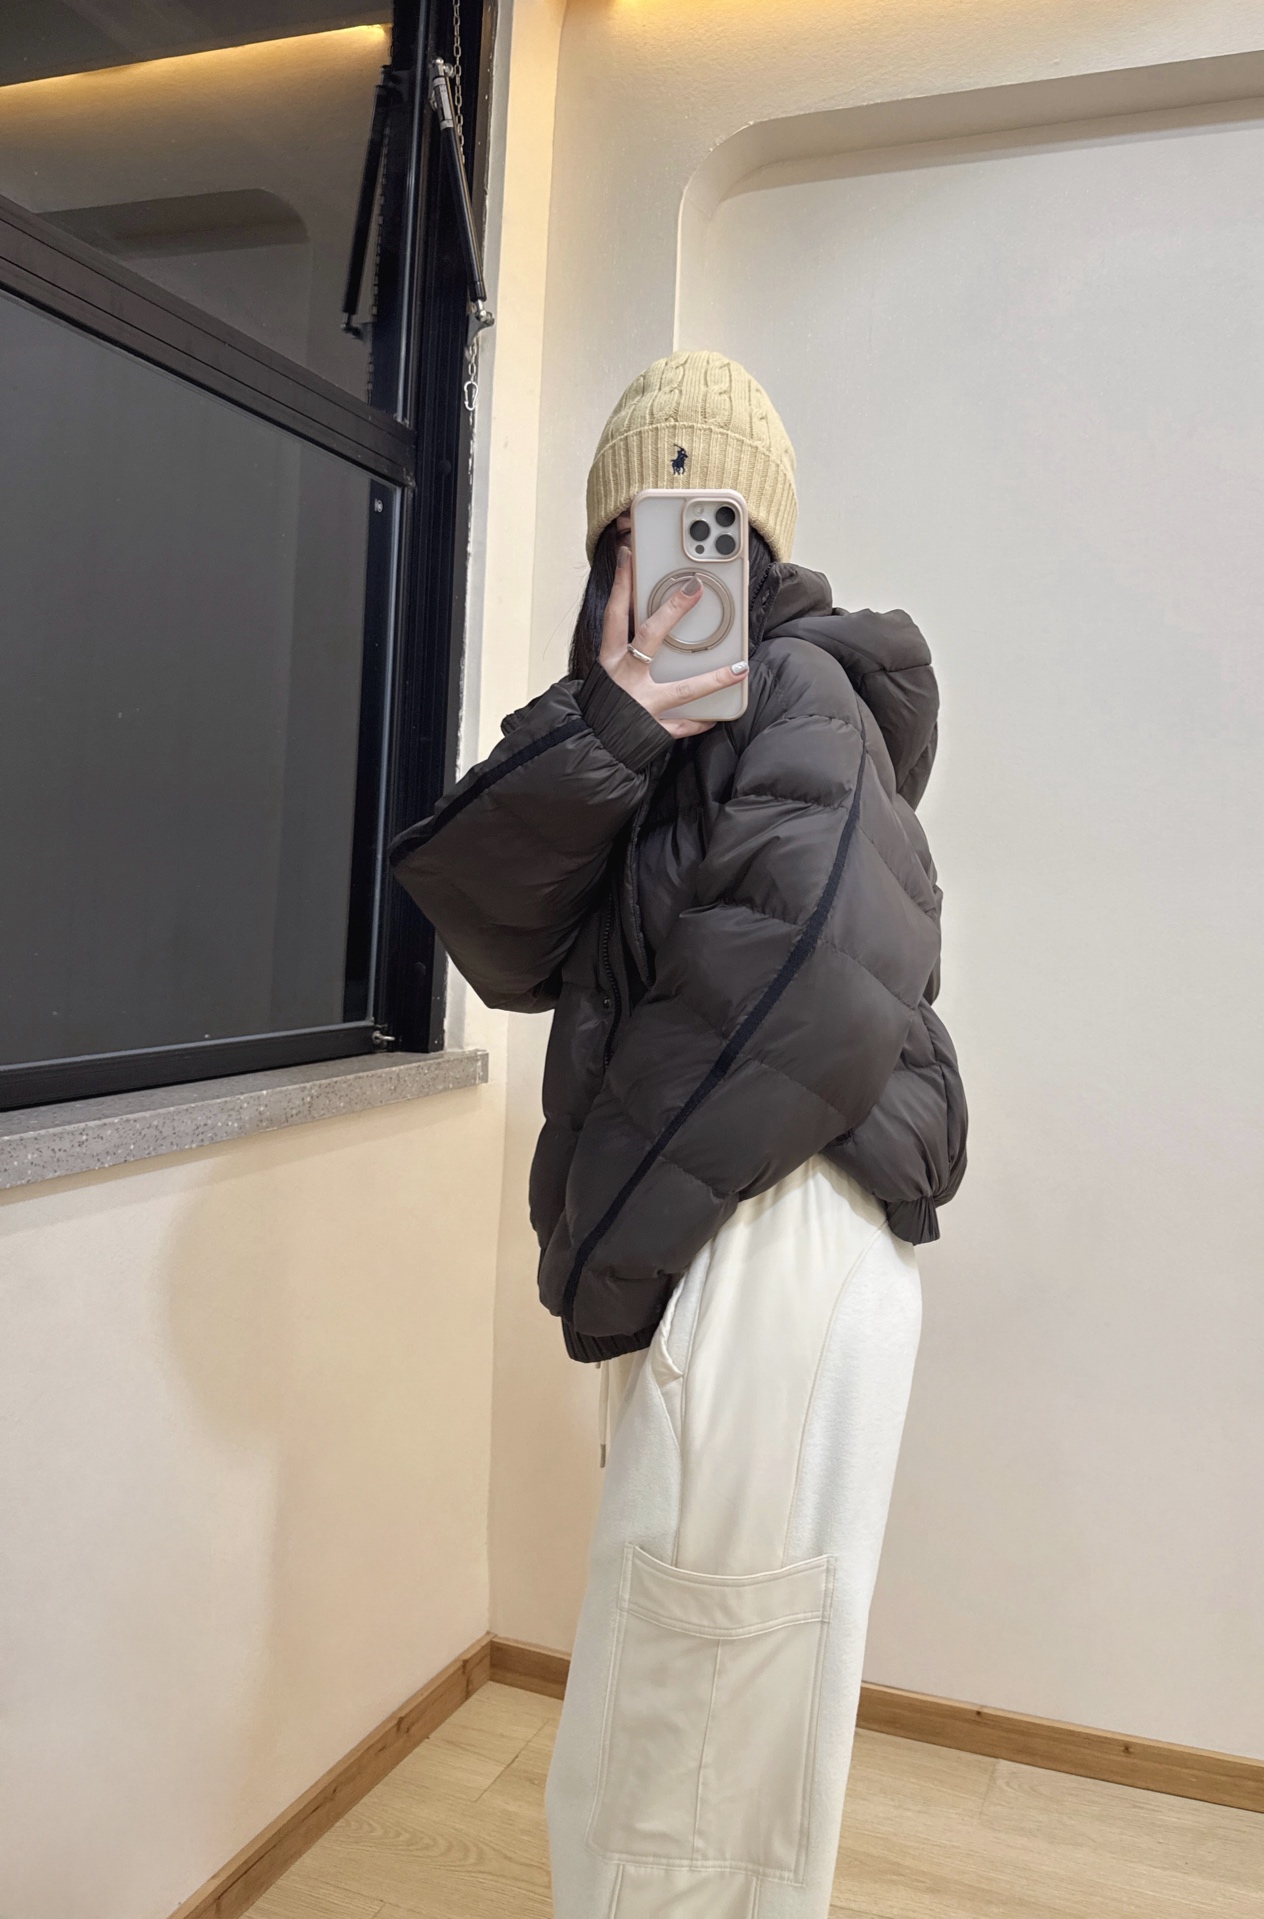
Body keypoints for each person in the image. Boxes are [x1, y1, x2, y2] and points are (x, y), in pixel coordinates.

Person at [391, 350, 967, 1919]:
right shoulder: (638, 734)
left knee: (697, 1719)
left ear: (756, 537)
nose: (667, 556)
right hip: (714, 1218)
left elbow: (800, 993)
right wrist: (619, 722)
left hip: (771, 1224)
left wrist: (610, 1266)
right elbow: (495, 932)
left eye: (707, 523)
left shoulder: (804, 695)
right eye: (633, 529)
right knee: (697, 1702)